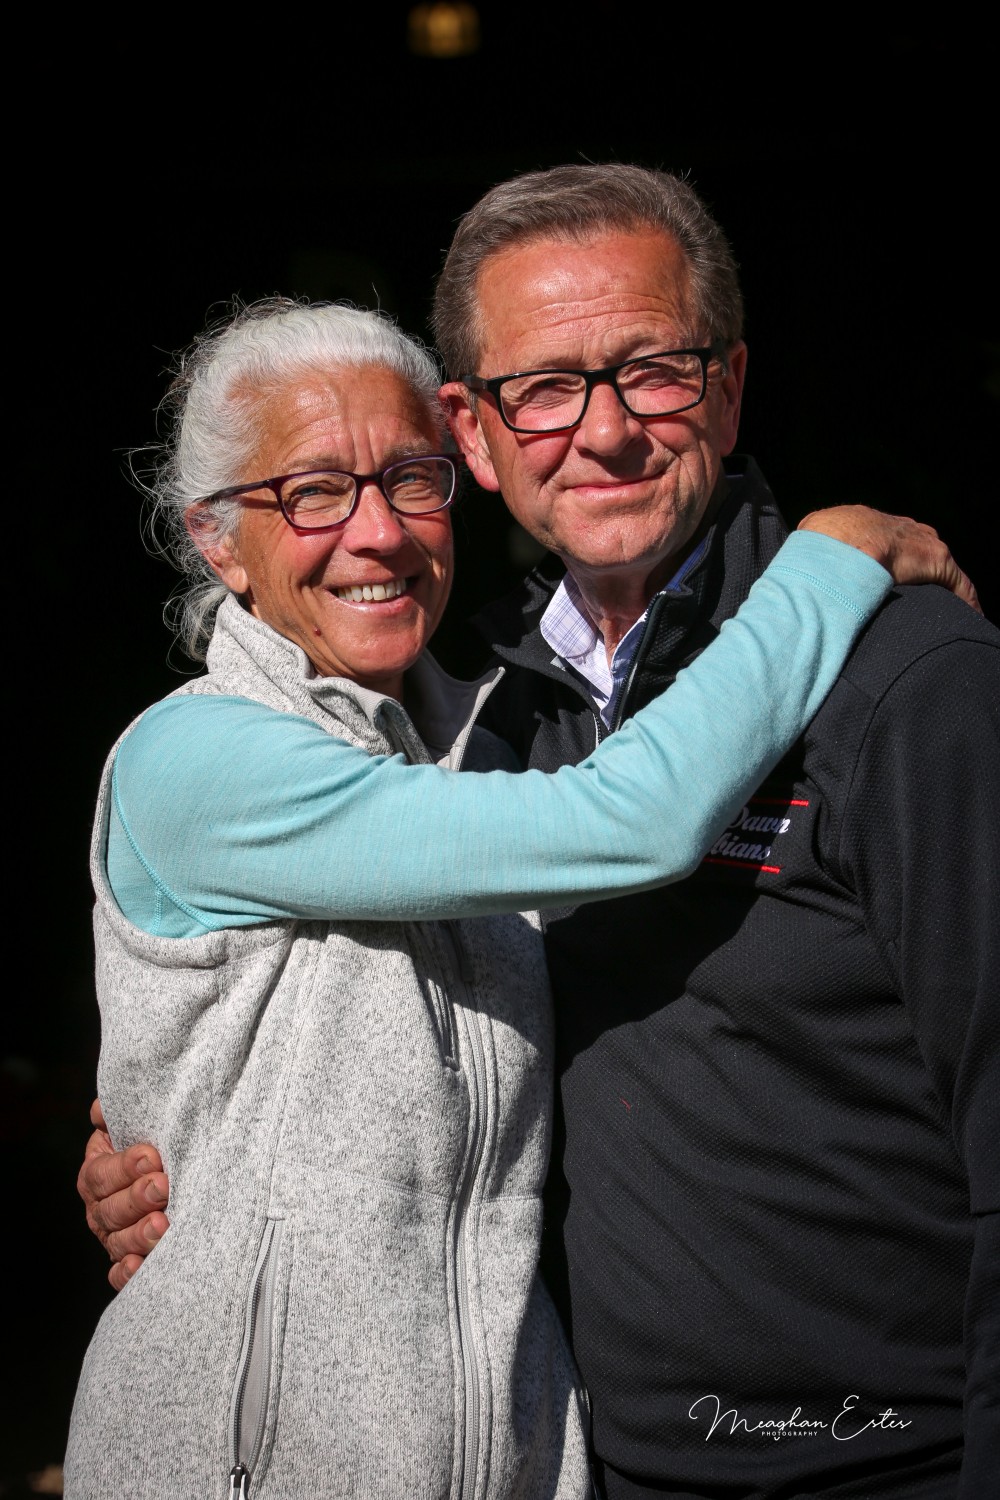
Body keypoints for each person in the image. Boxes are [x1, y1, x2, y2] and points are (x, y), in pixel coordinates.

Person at [79, 166, 998, 1498]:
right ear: (218, 541)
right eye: (314, 492)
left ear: (730, 388)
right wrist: (835, 554)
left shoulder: (491, 726)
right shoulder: (243, 756)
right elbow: (624, 819)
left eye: (406, 479)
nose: (376, 532)